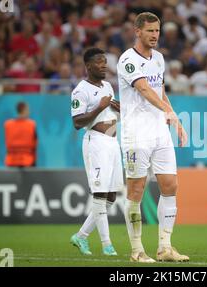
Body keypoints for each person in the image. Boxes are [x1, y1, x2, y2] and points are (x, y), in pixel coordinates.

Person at [117, 12, 189, 263]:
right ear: (137, 32)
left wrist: (175, 118)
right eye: (150, 31)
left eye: (157, 31)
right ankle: (137, 250)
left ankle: (165, 248)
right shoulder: (127, 60)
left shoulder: (159, 58)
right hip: (136, 133)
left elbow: (159, 90)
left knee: (170, 186)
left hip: (160, 131)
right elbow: (144, 89)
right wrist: (167, 111)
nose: (155, 35)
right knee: (136, 190)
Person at [69, 47, 122, 257]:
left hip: (113, 142)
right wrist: (100, 107)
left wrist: (116, 108)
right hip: (96, 143)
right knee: (99, 195)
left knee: (110, 197)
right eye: (99, 62)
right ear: (88, 66)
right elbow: (76, 122)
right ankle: (107, 245)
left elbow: (108, 109)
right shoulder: (80, 90)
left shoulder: (108, 85)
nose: (104, 65)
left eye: (105, 61)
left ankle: (81, 236)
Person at [4, 102, 37, 167]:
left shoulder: (7, 124)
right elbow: (35, 144)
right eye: (28, 110)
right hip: (28, 161)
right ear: (24, 110)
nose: (29, 112)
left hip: (11, 161)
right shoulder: (32, 125)